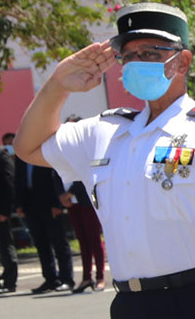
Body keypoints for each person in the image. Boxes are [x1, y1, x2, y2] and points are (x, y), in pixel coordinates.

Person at [12, 2, 195, 318]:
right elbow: (28, 147)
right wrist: (57, 86)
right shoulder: (104, 132)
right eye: (128, 56)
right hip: (131, 303)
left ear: (182, 61)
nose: (136, 63)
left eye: (150, 53)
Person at [14, 138, 74, 294]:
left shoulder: (47, 151)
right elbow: (18, 178)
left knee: (59, 241)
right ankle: (50, 279)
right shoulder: (22, 153)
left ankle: (66, 278)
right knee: (41, 243)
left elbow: (57, 177)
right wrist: (19, 203)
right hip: (30, 203)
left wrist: (57, 204)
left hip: (49, 203)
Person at [56, 116, 107, 293]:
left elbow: (88, 173)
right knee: (82, 240)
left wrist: (71, 192)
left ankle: (100, 277)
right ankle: (86, 277)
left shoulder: (87, 148)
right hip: (72, 204)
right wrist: (61, 196)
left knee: (94, 239)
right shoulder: (61, 149)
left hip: (86, 201)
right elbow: (55, 172)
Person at [0, 133, 17, 294]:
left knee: (4, 246)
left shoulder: (0, 153)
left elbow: (9, 182)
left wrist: (5, 211)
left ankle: (10, 282)